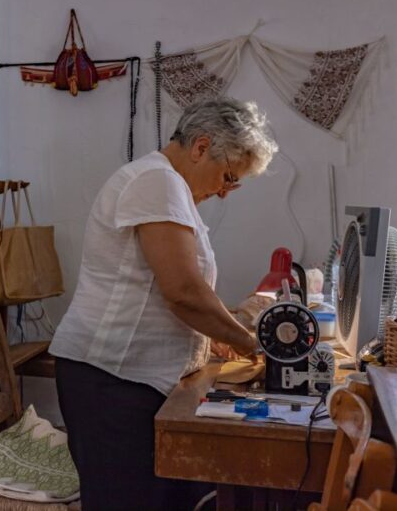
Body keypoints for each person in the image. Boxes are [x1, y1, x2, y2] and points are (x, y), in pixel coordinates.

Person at [49, 96, 278, 510]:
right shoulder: (157, 182)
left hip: (128, 379)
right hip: (109, 379)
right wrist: (252, 343)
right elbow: (184, 292)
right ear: (201, 146)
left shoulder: (169, 188)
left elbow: (175, 291)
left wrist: (217, 336)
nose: (226, 193)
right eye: (227, 177)